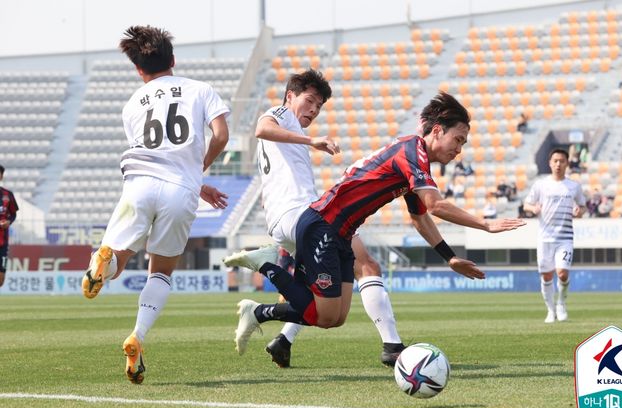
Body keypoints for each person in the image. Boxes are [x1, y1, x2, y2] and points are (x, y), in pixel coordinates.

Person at [224, 92, 526, 354]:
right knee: (326, 311)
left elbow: (420, 216)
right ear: (437, 131)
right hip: (323, 224)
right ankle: (268, 267)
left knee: (336, 317)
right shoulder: (413, 151)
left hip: (339, 231)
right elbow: (436, 206)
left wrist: (449, 257)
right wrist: (485, 225)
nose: (459, 148)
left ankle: (266, 318)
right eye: (457, 139)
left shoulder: (414, 157)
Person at [79, 25, 230, 384]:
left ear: (138, 69)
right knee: (160, 271)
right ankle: (138, 337)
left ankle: (104, 261)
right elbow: (221, 135)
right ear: (173, 60)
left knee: (119, 257)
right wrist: (197, 174)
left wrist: (195, 178)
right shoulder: (200, 89)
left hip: (138, 187)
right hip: (180, 191)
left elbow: (157, 155)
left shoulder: (132, 104)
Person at [237, 69, 406, 368]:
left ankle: (279, 333)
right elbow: (262, 128)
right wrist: (312, 141)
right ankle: (392, 345)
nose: (314, 110)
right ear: (290, 96)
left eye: (319, 106)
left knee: (331, 313)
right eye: (310, 101)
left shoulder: (293, 135)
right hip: (302, 215)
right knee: (366, 263)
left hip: (291, 219)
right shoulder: (282, 114)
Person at [523, 148, 587, 324]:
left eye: (562, 161)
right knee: (546, 276)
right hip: (545, 238)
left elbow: (582, 206)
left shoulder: (574, 186)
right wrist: (533, 208)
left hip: (565, 237)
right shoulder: (541, 185)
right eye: (555, 161)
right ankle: (550, 310)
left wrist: (579, 211)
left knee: (562, 273)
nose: (558, 164)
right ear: (550, 163)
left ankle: (561, 303)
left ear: (567, 163)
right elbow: (526, 204)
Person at [0, 165, 19, 288]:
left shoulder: (7, 195)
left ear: (1, 176)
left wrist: (9, 222)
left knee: (1, 280)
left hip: (3, 243)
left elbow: (13, 214)